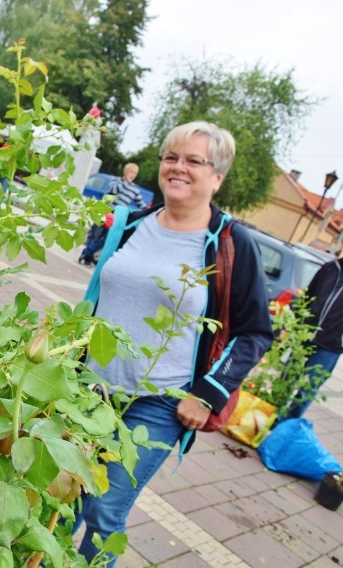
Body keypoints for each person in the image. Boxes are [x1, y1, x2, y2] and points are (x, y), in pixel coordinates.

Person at [77, 121, 273, 565]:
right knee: (62, 493)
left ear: (217, 176)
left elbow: (256, 331)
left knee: (105, 509)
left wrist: (207, 395)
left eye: (193, 161)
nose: (177, 167)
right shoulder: (132, 225)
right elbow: (98, 297)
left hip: (159, 401)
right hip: (88, 389)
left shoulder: (228, 242)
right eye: (171, 157)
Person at [282, 231, 343, 420]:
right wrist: (293, 326)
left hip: (331, 344)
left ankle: (284, 428)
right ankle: (270, 419)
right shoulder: (331, 267)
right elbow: (307, 297)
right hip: (304, 335)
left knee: (307, 390)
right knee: (285, 380)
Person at [78, 162, 145, 266]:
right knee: (96, 235)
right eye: (131, 172)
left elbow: (141, 204)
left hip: (118, 216)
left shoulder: (135, 189)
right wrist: (125, 182)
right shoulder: (116, 181)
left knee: (107, 238)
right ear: (125, 171)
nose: (133, 175)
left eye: (135, 173)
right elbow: (113, 190)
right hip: (106, 211)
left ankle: (87, 253)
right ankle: (88, 256)